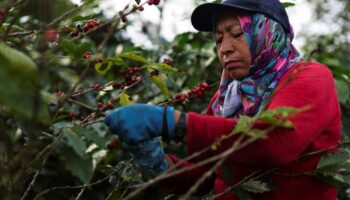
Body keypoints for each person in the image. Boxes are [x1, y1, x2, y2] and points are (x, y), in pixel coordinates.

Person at [104, 0, 341, 199]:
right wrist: (159, 163)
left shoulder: (309, 76)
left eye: (237, 34)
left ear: (266, 31)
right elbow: (207, 172)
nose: (224, 48)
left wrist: (173, 122)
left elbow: (274, 141)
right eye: (218, 39)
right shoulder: (228, 97)